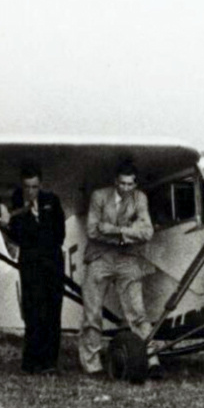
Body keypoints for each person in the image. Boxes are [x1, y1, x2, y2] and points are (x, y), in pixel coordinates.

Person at [79, 159, 156, 377]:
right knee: (92, 313)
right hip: (99, 257)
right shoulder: (99, 196)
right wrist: (128, 233)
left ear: (135, 185)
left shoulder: (140, 199)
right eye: (122, 184)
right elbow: (93, 231)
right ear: (115, 182)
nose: (126, 188)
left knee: (137, 312)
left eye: (130, 184)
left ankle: (150, 359)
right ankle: (92, 364)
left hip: (127, 258)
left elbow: (147, 232)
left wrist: (114, 231)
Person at [4, 163, 67, 374]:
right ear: (22, 187)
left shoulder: (52, 201)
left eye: (35, 187)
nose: (31, 192)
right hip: (31, 266)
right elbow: (17, 236)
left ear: (40, 185)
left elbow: (60, 233)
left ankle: (50, 363)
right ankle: (32, 362)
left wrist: (35, 230)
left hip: (52, 264)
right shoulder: (16, 205)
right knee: (33, 313)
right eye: (27, 187)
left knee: (52, 312)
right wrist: (22, 220)